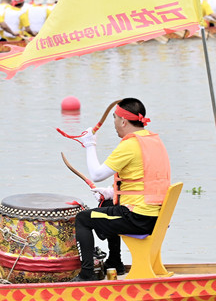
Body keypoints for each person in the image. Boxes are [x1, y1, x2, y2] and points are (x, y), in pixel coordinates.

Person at [67, 98, 170, 282]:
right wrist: (111, 193)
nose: (114, 124)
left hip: (138, 218)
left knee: (83, 219)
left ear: (123, 121)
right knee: (108, 203)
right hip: (154, 214)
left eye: (114, 119)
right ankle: (115, 262)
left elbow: (97, 174)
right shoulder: (153, 140)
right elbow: (146, 180)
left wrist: (90, 144)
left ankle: (86, 276)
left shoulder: (130, 145)